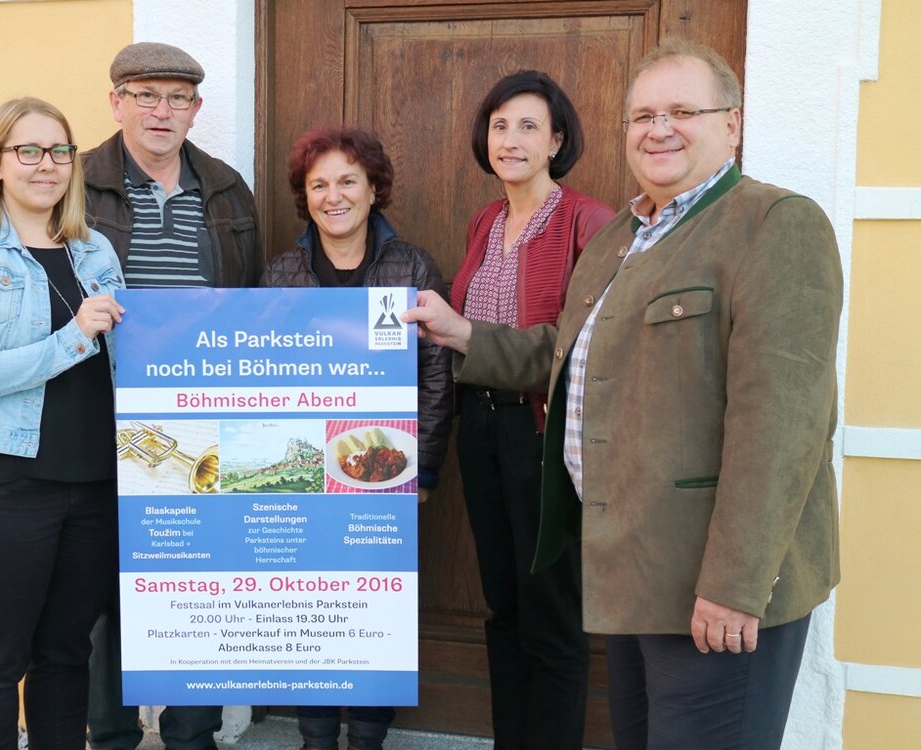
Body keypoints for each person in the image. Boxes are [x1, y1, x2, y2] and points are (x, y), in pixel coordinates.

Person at [405, 39, 842, 750]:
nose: (658, 128)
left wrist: (734, 583)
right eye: (643, 114)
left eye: (682, 111)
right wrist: (463, 335)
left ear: (730, 124)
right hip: (635, 569)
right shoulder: (621, 237)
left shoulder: (773, 224)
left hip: (714, 583)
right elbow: (564, 356)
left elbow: (782, 426)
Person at [0, 97, 125, 750]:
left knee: (67, 656)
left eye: (60, 151)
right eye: (29, 151)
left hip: (92, 484)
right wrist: (72, 340)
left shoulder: (95, 253)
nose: (47, 165)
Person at [82, 41, 263, 750]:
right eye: (146, 94)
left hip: (204, 422)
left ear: (196, 107)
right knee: (104, 589)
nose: (162, 111)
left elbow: (249, 302)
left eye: (178, 97)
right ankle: (112, 734)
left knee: (204, 577)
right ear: (116, 101)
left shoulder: (226, 189)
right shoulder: (80, 183)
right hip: (101, 410)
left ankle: (194, 735)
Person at [261, 126, 453, 750]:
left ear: (374, 190)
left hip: (382, 473)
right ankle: (316, 735)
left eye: (348, 181)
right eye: (319, 185)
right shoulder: (281, 274)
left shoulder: (412, 267)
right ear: (305, 197)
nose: (333, 196)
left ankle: (368, 736)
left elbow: (435, 376)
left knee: (377, 610)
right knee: (310, 602)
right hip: (306, 475)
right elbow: (261, 378)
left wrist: (419, 471)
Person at [451, 70, 613, 750]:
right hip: (480, 427)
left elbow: (577, 346)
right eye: (498, 125)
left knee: (550, 613)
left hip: (544, 436)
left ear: (557, 140)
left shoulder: (588, 221)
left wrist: (460, 335)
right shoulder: (486, 220)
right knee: (504, 607)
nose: (510, 140)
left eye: (527, 126)